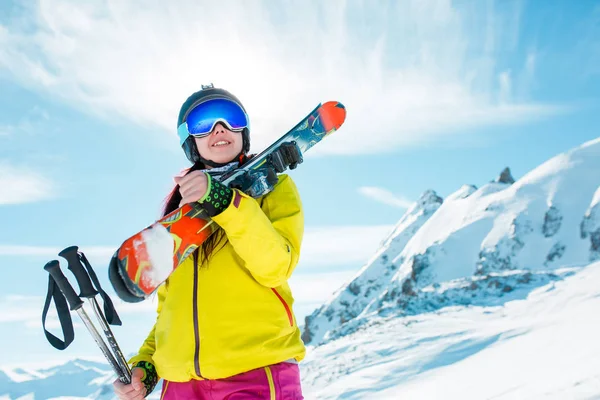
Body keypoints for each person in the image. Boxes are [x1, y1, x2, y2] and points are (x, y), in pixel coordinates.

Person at [112, 85, 306, 399]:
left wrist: (225, 203)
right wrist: (147, 365)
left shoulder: (274, 187)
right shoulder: (179, 217)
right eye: (203, 122)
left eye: (231, 118)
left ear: (244, 131)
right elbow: (170, 312)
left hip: (254, 374)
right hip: (180, 386)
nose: (219, 128)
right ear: (191, 142)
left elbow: (275, 268)